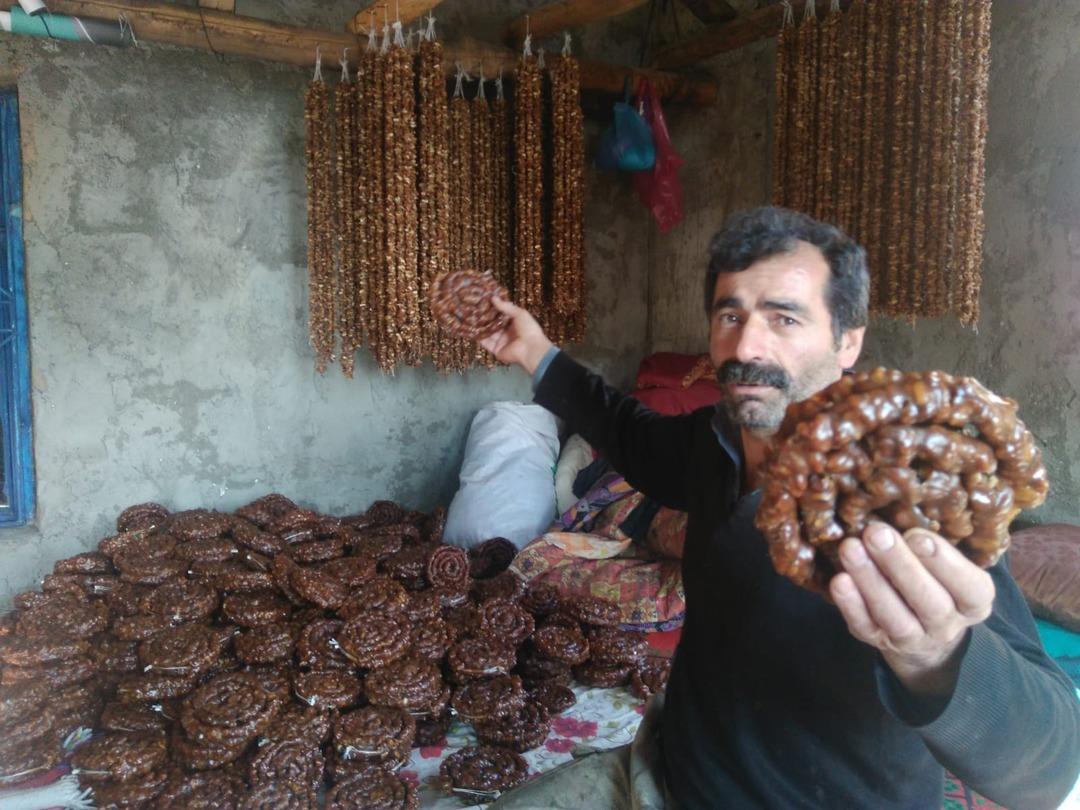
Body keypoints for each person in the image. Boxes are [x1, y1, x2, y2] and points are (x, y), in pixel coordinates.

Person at [478, 207, 1080, 809]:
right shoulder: (714, 442)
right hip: (672, 775)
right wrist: (536, 351)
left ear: (848, 340)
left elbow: (1051, 764)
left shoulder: (907, 496)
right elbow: (627, 430)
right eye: (730, 315)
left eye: (784, 318)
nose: (747, 345)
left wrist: (938, 656)